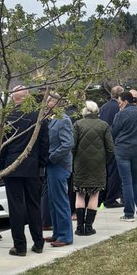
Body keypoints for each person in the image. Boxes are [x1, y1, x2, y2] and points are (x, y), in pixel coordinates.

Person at [0, 86, 49, 256]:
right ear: (27, 98)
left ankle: (20, 245)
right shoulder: (38, 116)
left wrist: (1, 167)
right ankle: (38, 241)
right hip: (32, 165)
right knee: (34, 205)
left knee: (16, 207)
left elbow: (2, 145)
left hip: (12, 165)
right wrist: (41, 164)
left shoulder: (7, 117)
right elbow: (44, 143)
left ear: (13, 98)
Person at [72, 100, 114, 235]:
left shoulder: (78, 124)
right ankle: (89, 226)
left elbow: (72, 146)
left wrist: (74, 160)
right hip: (98, 164)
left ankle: (79, 227)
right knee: (95, 193)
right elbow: (110, 148)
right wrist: (104, 160)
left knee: (80, 193)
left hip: (81, 163)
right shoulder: (104, 125)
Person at [111, 90, 137, 219]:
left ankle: (129, 213)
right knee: (136, 181)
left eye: (120, 102)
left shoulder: (120, 115)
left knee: (126, 182)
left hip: (122, 149)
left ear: (125, 101)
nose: (119, 104)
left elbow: (113, 132)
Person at [46, 93, 75, 246]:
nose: (46, 104)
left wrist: (52, 157)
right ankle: (57, 233)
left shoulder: (64, 120)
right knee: (52, 201)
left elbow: (68, 144)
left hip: (59, 165)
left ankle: (65, 236)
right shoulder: (52, 119)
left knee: (60, 200)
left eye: (49, 101)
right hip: (51, 166)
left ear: (56, 102)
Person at [98, 85, 124, 207]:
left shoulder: (103, 107)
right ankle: (111, 199)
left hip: (103, 142)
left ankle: (102, 197)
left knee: (105, 171)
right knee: (114, 173)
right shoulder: (119, 108)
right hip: (114, 143)